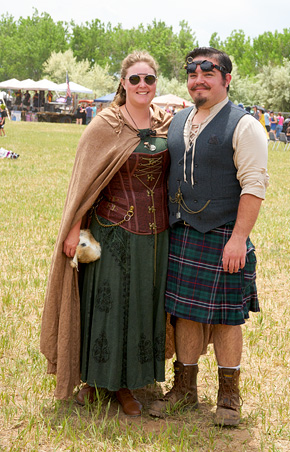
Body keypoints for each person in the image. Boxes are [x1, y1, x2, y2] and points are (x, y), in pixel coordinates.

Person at [40, 51, 172, 416]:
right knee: (108, 307)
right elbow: (85, 183)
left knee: (144, 307)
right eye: (135, 79)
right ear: (123, 83)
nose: (143, 85)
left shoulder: (166, 123)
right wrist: (73, 229)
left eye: (149, 79)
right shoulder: (106, 124)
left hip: (156, 238)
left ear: (155, 83)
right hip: (112, 234)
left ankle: (131, 382)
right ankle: (98, 381)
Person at [149, 47, 269, 426]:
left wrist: (238, 238)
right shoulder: (180, 118)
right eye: (192, 73)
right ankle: (185, 388)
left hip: (222, 235)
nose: (198, 79)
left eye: (208, 72)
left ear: (226, 79)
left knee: (227, 318)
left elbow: (254, 185)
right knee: (183, 314)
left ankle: (229, 397)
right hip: (182, 232)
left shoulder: (244, 124)